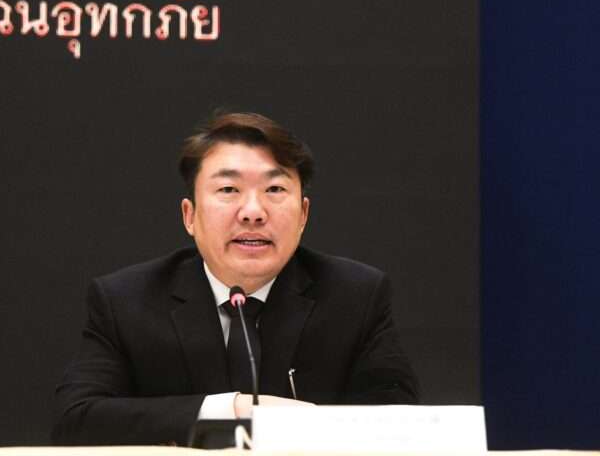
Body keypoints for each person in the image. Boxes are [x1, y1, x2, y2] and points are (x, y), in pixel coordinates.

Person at [52, 111, 419, 446]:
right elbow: (75, 420)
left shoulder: (355, 297)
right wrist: (232, 409)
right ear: (190, 216)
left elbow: (398, 427)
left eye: (275, 190)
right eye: (228, 190)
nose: (253, 212)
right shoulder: (127, 301)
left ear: (303, 215)